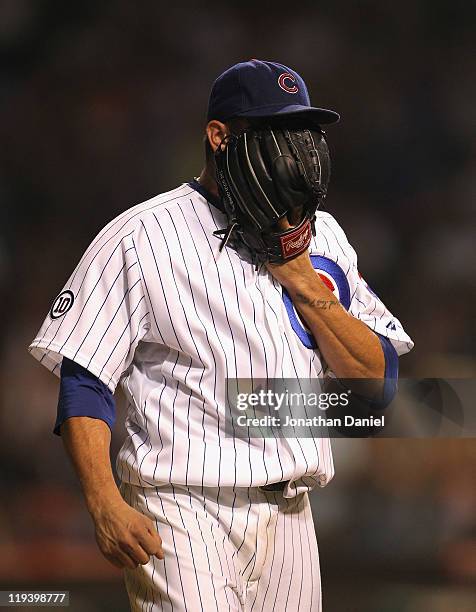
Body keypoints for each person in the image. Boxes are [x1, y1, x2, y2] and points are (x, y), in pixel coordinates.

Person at [29, 59, 413, 611]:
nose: (295, 150)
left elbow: (378, 386)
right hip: (182, 506)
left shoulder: (323, 234)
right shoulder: (142, 235)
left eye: (302, 132)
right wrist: (102, 500)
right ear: (219, 136)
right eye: (276, 134)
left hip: (293, 516)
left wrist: (304, 280)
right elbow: (85, 379)